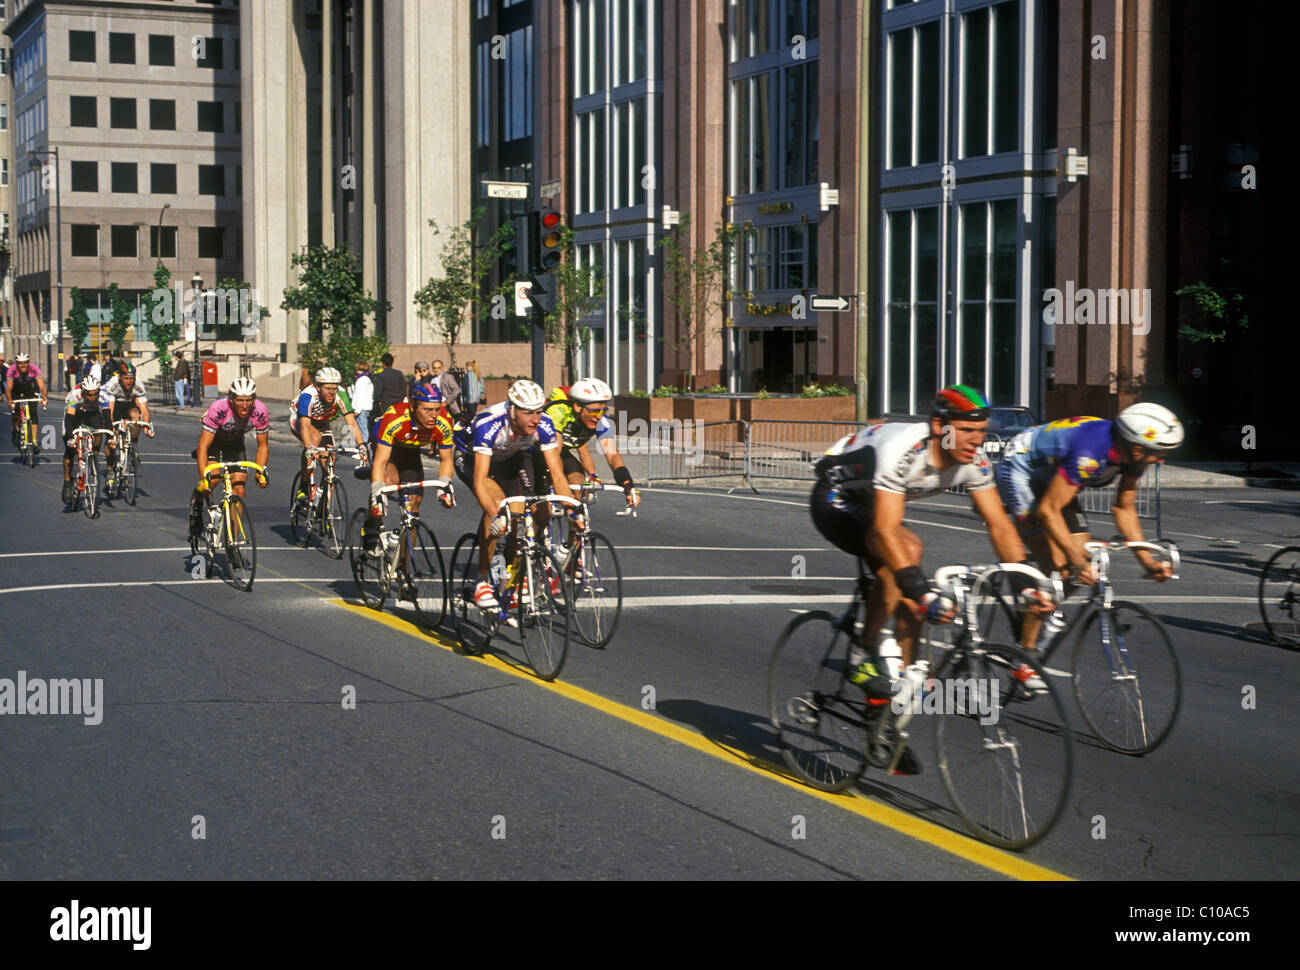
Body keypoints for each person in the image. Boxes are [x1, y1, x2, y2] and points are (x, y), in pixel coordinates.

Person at [809, 385, 1053, 774]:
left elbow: (999, 525)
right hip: (838, 499)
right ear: (940, 426)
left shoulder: (973, 459)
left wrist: (1026, 583)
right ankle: (862, 653)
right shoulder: (904, 450)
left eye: (983, 432)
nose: (978, 441)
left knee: (914, 597)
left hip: (876, 505)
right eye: (969, 432)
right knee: (905, 554)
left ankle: (891, 708)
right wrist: (921, 591)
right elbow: (887, 533)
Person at [995, 404, 1184, 653]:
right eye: (1159, 453)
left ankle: (1043, 608)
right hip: (1020, 468)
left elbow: (1125, 509)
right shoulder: (1090, 454)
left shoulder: (1133, 455)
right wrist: (1074, 560)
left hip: (1054, 476)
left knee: (1082, 568)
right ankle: (1025, 653)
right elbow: (1048, 511)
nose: (1162, 459)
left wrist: (1147, 563)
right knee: (1056, 566)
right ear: (1137, 448)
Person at [452, 380, 577, 610]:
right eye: (528, 413)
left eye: (539, 411)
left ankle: (505, 577)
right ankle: (481, 582)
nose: (535, 418)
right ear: (512, 410)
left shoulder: (544, 424)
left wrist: (572, 510)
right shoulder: (490, 423)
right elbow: (480, 481)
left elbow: (558, 475)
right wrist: (495, 514)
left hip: (511, 457)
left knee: (526, 515)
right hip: (473, 460)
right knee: (500, 509)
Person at [362, 383, 457, 559]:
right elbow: (381, 461)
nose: (434, 416)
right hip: (385, 447)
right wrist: (377, 492)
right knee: (388, 483)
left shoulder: (444, 422)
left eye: (437, 409)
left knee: (413, 508)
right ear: (412, 406)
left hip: (410, 450)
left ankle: (403, 568)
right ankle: (371, 525)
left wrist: (445, 485)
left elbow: (446, 459)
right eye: (427, 410)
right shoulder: (395, 418)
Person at [535, 378, 641, 515]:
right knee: (542, 514)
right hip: (538, 453)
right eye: (594, 411)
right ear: (578, 407)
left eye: (603, 411)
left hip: (562, 454)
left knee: (579, 488)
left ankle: (576, 534)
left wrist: (628, 484)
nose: (599, 416)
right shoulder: (559, 412)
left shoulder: (600, 421)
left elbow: (613, 455)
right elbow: (555, 451)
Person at [189, 377, 271, 546]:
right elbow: (203, 445)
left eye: (249, 400)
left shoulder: (260, 411)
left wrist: (261, 471)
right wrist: (204, 477)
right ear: (231, 399)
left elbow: (262, 445)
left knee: (239, 488)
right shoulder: (219, 408)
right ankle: (197, 500)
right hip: (214, 442)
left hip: (235, 443)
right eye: (240, 400)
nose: (245, 405)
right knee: (214, 478)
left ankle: (232, 540)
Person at [290, 367, 366, 505]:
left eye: (334, 388)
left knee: (330, 460)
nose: (332, 392)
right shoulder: (308, 395)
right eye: (328, 388)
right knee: (314, 441)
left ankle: (324, 507)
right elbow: (305, 426)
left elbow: (352, 423)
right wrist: (310, 448)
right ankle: (304, 485)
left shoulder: (340, 394)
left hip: (322, 422)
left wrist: (361, 446)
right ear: (318, 387)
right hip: (301, 421)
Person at [61, 375, 111, 505]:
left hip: (92, 414)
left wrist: (111, 437)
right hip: (75, 415)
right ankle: (67, 482)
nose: (93, 397)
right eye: (89, 395)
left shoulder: (104, 395)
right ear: (84, 392)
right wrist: (71, 437)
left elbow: (107, 418)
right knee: (69, 450)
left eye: (95, 394)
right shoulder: (75, 394)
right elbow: (69, 419)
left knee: (99, 429)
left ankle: (92, 457)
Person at [101, 364, 156, 475]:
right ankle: (110, 470)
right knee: (111, 441)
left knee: (136, 415)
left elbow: (144, 410)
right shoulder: (112, 384)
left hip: (129, 406)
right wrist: (110, 431)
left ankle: (132, 446)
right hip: (114, 407)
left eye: (131, 378)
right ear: (120, 377)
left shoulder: (138, 384)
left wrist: (146, 426)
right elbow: (110, 411)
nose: (129, 382)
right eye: (126, 378)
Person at [6, 354, 49, 448]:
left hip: (29, 391)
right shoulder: (12, 370)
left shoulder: (34, 369)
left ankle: (34, 440)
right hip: (15, 391)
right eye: (20, 363)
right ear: (16, 364)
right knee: (15, 412)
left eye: (25, 363)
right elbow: (9, 388)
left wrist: (45, 397)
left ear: (28, 363)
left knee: (33, 414)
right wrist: (10, 400)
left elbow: (42, 385)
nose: (23, 365)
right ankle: (16, 429)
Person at [350, 361, 375, 446]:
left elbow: (360, 396)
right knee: (364, 427)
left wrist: (357, 410)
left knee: (362, 429)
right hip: (366, 407)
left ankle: (364, 446)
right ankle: (365, 445)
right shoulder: (368, 379)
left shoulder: (361, 380)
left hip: (361, 408)